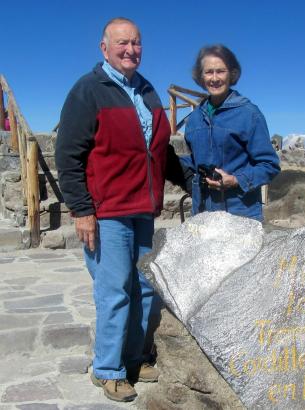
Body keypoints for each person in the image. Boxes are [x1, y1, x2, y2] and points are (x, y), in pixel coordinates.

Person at [55, 17, 173, 402]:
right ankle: (107, 368)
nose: (131, 50)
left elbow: (159, 150)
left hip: (143, 209)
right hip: (107, 212)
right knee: (115, 291)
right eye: (122, 43)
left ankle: (134, 359)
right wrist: (81, 209)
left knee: (142, 289)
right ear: (104, 49)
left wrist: (192, 178)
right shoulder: (89, 90)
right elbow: (68, 155)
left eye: (136, 43)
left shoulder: (148, 91)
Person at [181, 44, 280, 221]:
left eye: (221, 71)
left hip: (240, 214)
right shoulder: (194, 119)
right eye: (208, 72)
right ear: (200, 77)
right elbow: (195, 161)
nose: (214, 78)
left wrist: (235, 180)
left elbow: (269, 165)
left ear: (232, 74)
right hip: (202, 213)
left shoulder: (249, 114)